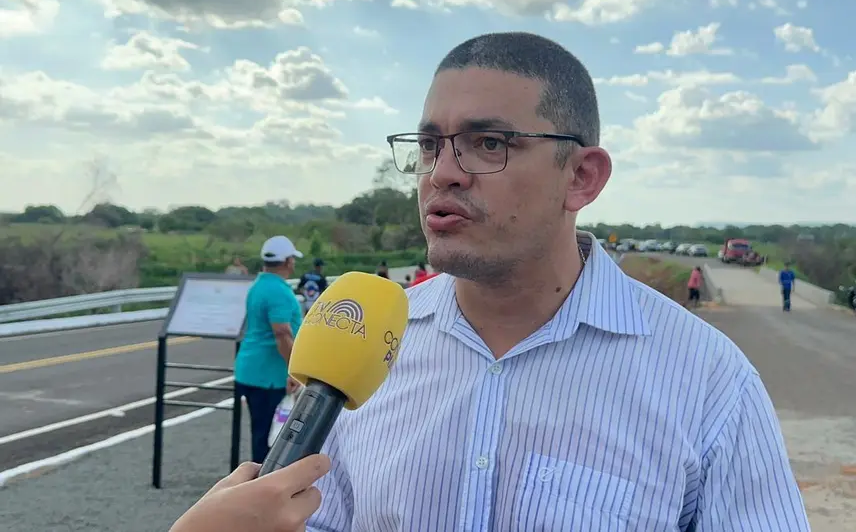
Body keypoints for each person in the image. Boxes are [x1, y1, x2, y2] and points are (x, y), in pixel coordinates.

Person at [172, 32, 809, 532]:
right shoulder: (362, 351)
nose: (442, 173)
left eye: (489, 143)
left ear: (582, 177)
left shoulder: (707, 381)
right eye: (430, 145)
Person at [234, 235, 304, 465]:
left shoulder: (259, 285)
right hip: (269, 375)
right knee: (270, 440)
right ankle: (263, 479)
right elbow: (282, 332)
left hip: (252, 369)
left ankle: (260, 476)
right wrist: (295, 370)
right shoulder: (278, 291)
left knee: (262, 432)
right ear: (287, 261)